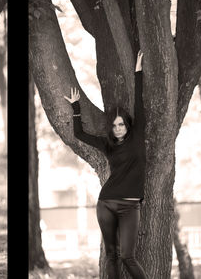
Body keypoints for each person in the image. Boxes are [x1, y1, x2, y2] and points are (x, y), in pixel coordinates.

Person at [64, 51, 147, 278]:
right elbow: (79, 134)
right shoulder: (107, 145)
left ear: (127, 125)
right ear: (111, 127)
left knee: (127, 256)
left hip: (131, 206)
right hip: (106, 203)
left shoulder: (138, 136)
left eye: (121, 124)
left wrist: (138, 72)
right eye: (115, 125)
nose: (118, 128)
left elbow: (139, 103)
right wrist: (76, 107)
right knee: (111, 255)